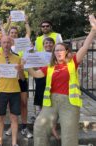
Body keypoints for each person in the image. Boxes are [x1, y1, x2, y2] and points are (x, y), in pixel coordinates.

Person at [27, 15, 96, 146]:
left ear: (66, 52)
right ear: (54, 53)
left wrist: (93, 30)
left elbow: (85, 47)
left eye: (61, 50)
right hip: (51, 103)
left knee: (69, 136)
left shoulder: (73, 63)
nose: (58, 52)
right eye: (56, 50)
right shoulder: (50, 67)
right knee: (39, 127)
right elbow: (35, 74)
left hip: (69, 103)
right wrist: (26, 66)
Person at [0, 36, 24, 146]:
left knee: (14, 118)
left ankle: (14, 143)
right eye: (4, 42)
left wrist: (20, 71)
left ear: (11, 44)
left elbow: (22, 78)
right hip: (1, 91)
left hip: (15, 91)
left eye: (8, 42)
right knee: (0, 118)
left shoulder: (18, 58)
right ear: (1, 44)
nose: (6, 45)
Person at [5, 16, 33, 138]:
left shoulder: (22, 43)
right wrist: (9, 21)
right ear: (9, 34)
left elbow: (28, 33)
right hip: (10, 79)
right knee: (12, 104)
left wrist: (26, 22)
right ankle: (13, 125)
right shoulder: (5, 45)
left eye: (15, 33)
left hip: (22, 77)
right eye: (12, 33)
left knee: (24, 103)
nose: (14, 34)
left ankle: (24, 127)